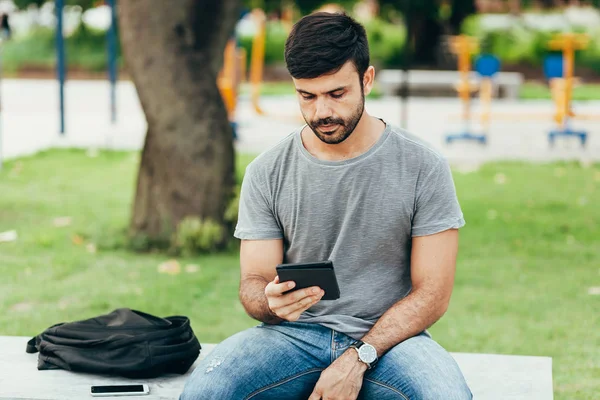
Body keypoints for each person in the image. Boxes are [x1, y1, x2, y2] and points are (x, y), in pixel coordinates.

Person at [181, 11, 472, 400]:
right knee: (205, 392)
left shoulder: (423, 165)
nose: (322, 113)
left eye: (337, 94)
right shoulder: (266, 171)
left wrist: (358, 357)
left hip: (391, 342)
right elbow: (253, 284)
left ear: (366, 79)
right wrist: (269, 301)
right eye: (307, 96)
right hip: (293, 336)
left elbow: (432, 293)